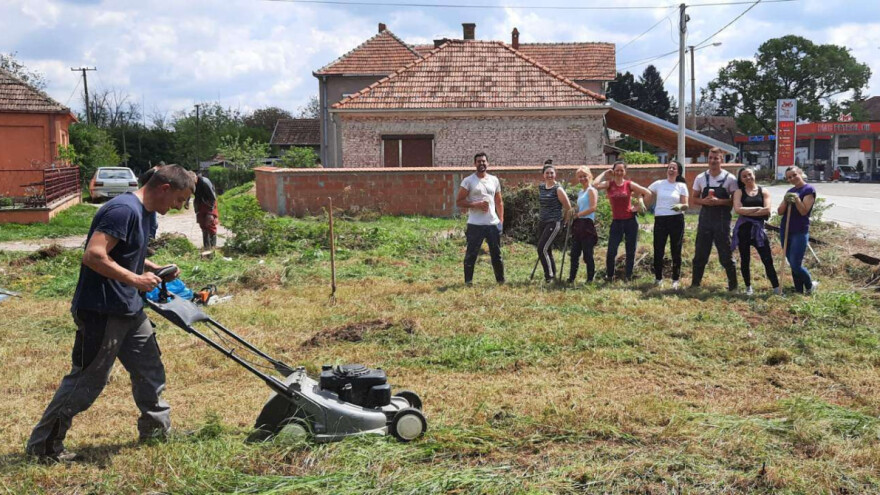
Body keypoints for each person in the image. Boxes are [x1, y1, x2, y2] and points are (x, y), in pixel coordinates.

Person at [26, 165, 196, 463]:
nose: (179, 207)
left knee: (149, 369)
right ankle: (44, 446)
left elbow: (127, 256)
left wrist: (151, 269)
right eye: (180, 200)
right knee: (87, 381)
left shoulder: (147, 214)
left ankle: (156, 431)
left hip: (129, 307)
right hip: (101, 309)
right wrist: (135, 279)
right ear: (164, 188)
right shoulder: (122, 210)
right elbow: (94, 255)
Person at [593, 161, 652, 282]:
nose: (619, 172)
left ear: (625, 172)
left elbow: (648, 193)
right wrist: (605, 172)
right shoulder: (609, 184)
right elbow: (594, 185)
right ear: (613, 171)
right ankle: (609, 276)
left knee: (630, 251)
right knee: (611, 251)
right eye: (617, 170)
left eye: (622, 170)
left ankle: (628, 277)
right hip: (617, 222)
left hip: (630, 221)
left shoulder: (629, 184)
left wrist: (639, 206)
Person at [690, 147, 739, 291]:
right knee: (700, 252)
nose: (712, 161)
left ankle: (733, 286)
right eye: (710, 158)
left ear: (721, 160)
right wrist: (705, 201)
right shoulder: (700, 178)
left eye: (716, 158)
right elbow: (694, 199)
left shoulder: (730, 178)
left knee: (725, 253)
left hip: (722, 221)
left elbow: (734, 201)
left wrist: (719, 202)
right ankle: (695, 284)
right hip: (705, 220)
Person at [456, 152, 505, 285]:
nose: (481, 163)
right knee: (471, 255)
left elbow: (499, 201)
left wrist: (501, 220)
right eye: (479, 161)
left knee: (496, 255)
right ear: (474, 164)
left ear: (487, 163)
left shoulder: (494, 180)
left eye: (484, 161)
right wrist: (475, 205)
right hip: (475, 224)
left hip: (492, 224)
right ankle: (468, 282)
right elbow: (459, 201)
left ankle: (500, 281)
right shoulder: (468, 181)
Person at [732, 166, 780, 295]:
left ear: (754, 175)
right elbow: (738, 210)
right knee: (745, 259)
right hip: (743, 230)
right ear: (741, 179)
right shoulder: (739, 192)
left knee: (767, 259)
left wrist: (747, 211)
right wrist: (758, 209)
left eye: (749, 175)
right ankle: (748, 287)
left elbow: (767, 210)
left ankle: (776, 288)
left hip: (758, 230)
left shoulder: (763, 191)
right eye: (744, 176)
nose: (748, 178)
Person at [648, 161, 689, 289]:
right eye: (669, 167)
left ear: (678, 171)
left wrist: (681, 206)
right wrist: (640, 202)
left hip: (676, 219)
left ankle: (675, 279)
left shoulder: (681, 185)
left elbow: (686, 205)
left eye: (674, 168)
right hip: (660, 219)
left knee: (675, 249)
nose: (671, 170)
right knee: (658, 249)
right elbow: (644, 192)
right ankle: (658, 278)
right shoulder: (659, 184)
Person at [777, 166, 818, 294]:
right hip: (786, 229)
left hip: (799, 231)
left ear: (800, 173)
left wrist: (797, 199)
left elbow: (803, 211)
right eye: (789, 177)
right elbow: (779, 212)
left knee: (795, 264)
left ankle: (810, 285)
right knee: (790, 261)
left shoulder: (809, 190)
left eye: (794, 175)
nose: (792, 178)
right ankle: (799, 290)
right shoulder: (790, 190)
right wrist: (786, 199)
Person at [535, 161, 572, 282]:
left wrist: (564, 222)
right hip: (542, 221)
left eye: (552, 173)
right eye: (547, 173)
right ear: (543, 175)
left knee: (541, 249)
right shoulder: (541, 187)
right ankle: (553, 273)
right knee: (547, 249)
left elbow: (568, 207)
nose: (549, 175)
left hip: (554, 222)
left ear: (555, 174)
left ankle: (549, 276)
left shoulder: (558, 189)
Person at [567, 166, 599, 283]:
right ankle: (571, 278)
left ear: (589, 176)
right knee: (574, 253)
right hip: (578, 224)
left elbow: (592, 208)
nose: (582, 178)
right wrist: (573, 210)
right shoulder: (581, 192)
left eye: (584, 176)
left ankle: (590, 279)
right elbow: (580, 207)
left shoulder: (592, 190)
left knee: (587, 254)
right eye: (580, 177)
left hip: (587, 225)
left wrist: (578, 215)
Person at [194, 171, 219, 249]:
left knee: (210, 224)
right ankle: (206, 247)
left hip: (209, 204)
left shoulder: (205, 182)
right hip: (200, 204)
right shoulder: (192, 183)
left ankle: (213, 248)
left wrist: (210, 213)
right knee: (203, 225)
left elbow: (213, 197)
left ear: (195, 178)